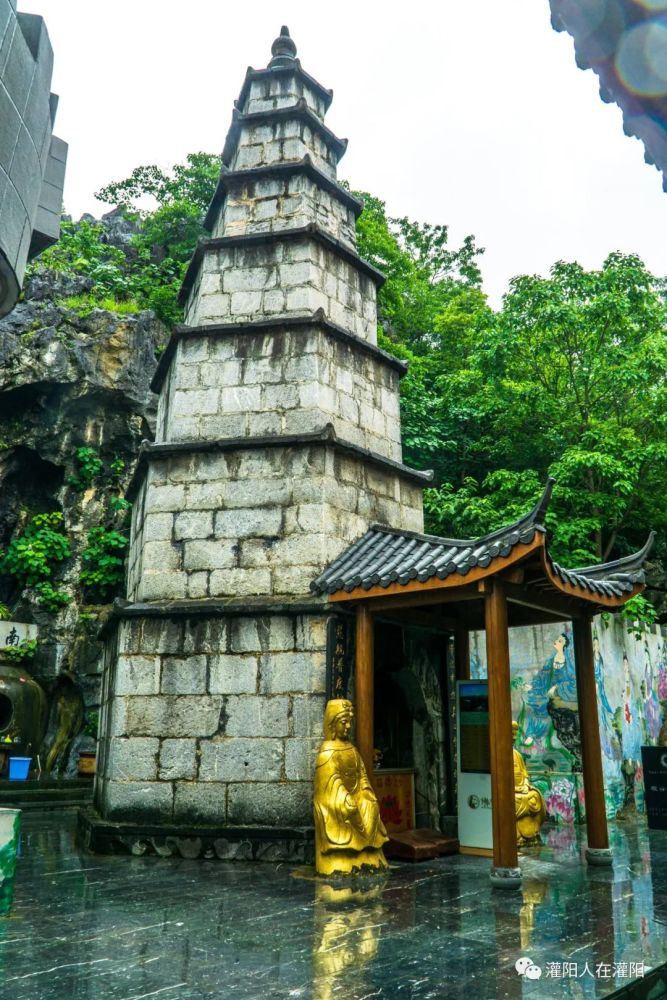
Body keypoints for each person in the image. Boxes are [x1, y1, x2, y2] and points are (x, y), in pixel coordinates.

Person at [314, 699, 388, 876]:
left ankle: (369, 850)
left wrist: (366, 792)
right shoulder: (327, 752)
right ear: (332, 724)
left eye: (349, 722)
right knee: (349, 808)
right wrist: (344, 797)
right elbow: (331, 783)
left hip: (357, 795)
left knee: (371, 805)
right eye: (343, 722)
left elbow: (362, 775)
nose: (347, 726)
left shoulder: (351, 749)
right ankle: (345, 855)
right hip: (337, 799)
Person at [513, 721, 547, 846]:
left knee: (535, 796)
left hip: (522, 788)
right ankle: (517, 834)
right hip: (512, 791)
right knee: (514, 801)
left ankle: (532, 833)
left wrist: (526, 785)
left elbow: (524, 773)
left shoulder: (517, 754)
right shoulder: (500, 754)